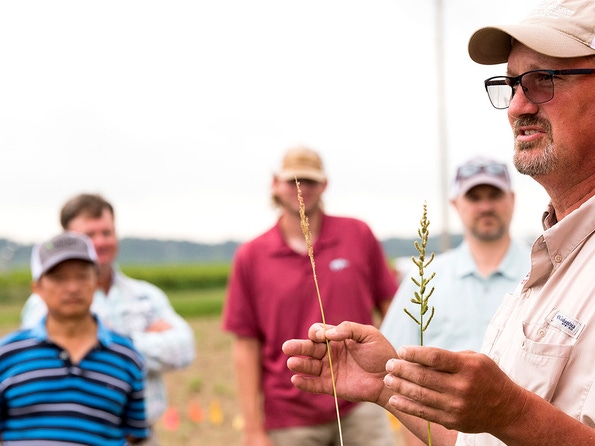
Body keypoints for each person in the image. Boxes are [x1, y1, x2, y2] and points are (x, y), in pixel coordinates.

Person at [283, 1, 595, 445]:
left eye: (543, 80)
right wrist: (386, 383)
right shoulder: (575, 248)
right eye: (511, 85)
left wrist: (511, 411)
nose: (517, 107)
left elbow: (514, 424)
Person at [222, 146, 399, 446]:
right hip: (289, 416)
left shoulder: (358, 234)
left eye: (310, 181)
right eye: (292, 181)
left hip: (362, 402)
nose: (301, 189)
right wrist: (252, 428)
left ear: (325, 184)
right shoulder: (250, 256)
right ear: (275, 184)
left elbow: (392, 307)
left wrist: (397, 378)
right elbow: (246, 345)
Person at [20, 194, 195, 445]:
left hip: (141, 436)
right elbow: (45, 362)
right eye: (90, 235)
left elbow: (184, 348)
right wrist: (142, 342)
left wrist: (111, 344)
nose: (100, 242)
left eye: (107, 232)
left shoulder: (144, 295)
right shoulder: (42, 303)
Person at [1, 232, 148, 445]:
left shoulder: (127, 357)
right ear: (37, 288)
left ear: (96, 281)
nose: (72, 287)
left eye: (82, 276)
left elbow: (134, 434)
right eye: (58, 278)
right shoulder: (7, 355)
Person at [382, 157, 530, 353]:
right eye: (474, 197)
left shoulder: (545, 273)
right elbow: (391, 357)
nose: (485, 207)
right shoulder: (423, 279)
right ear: (455, 203)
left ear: (512, 199)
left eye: (495, 195)